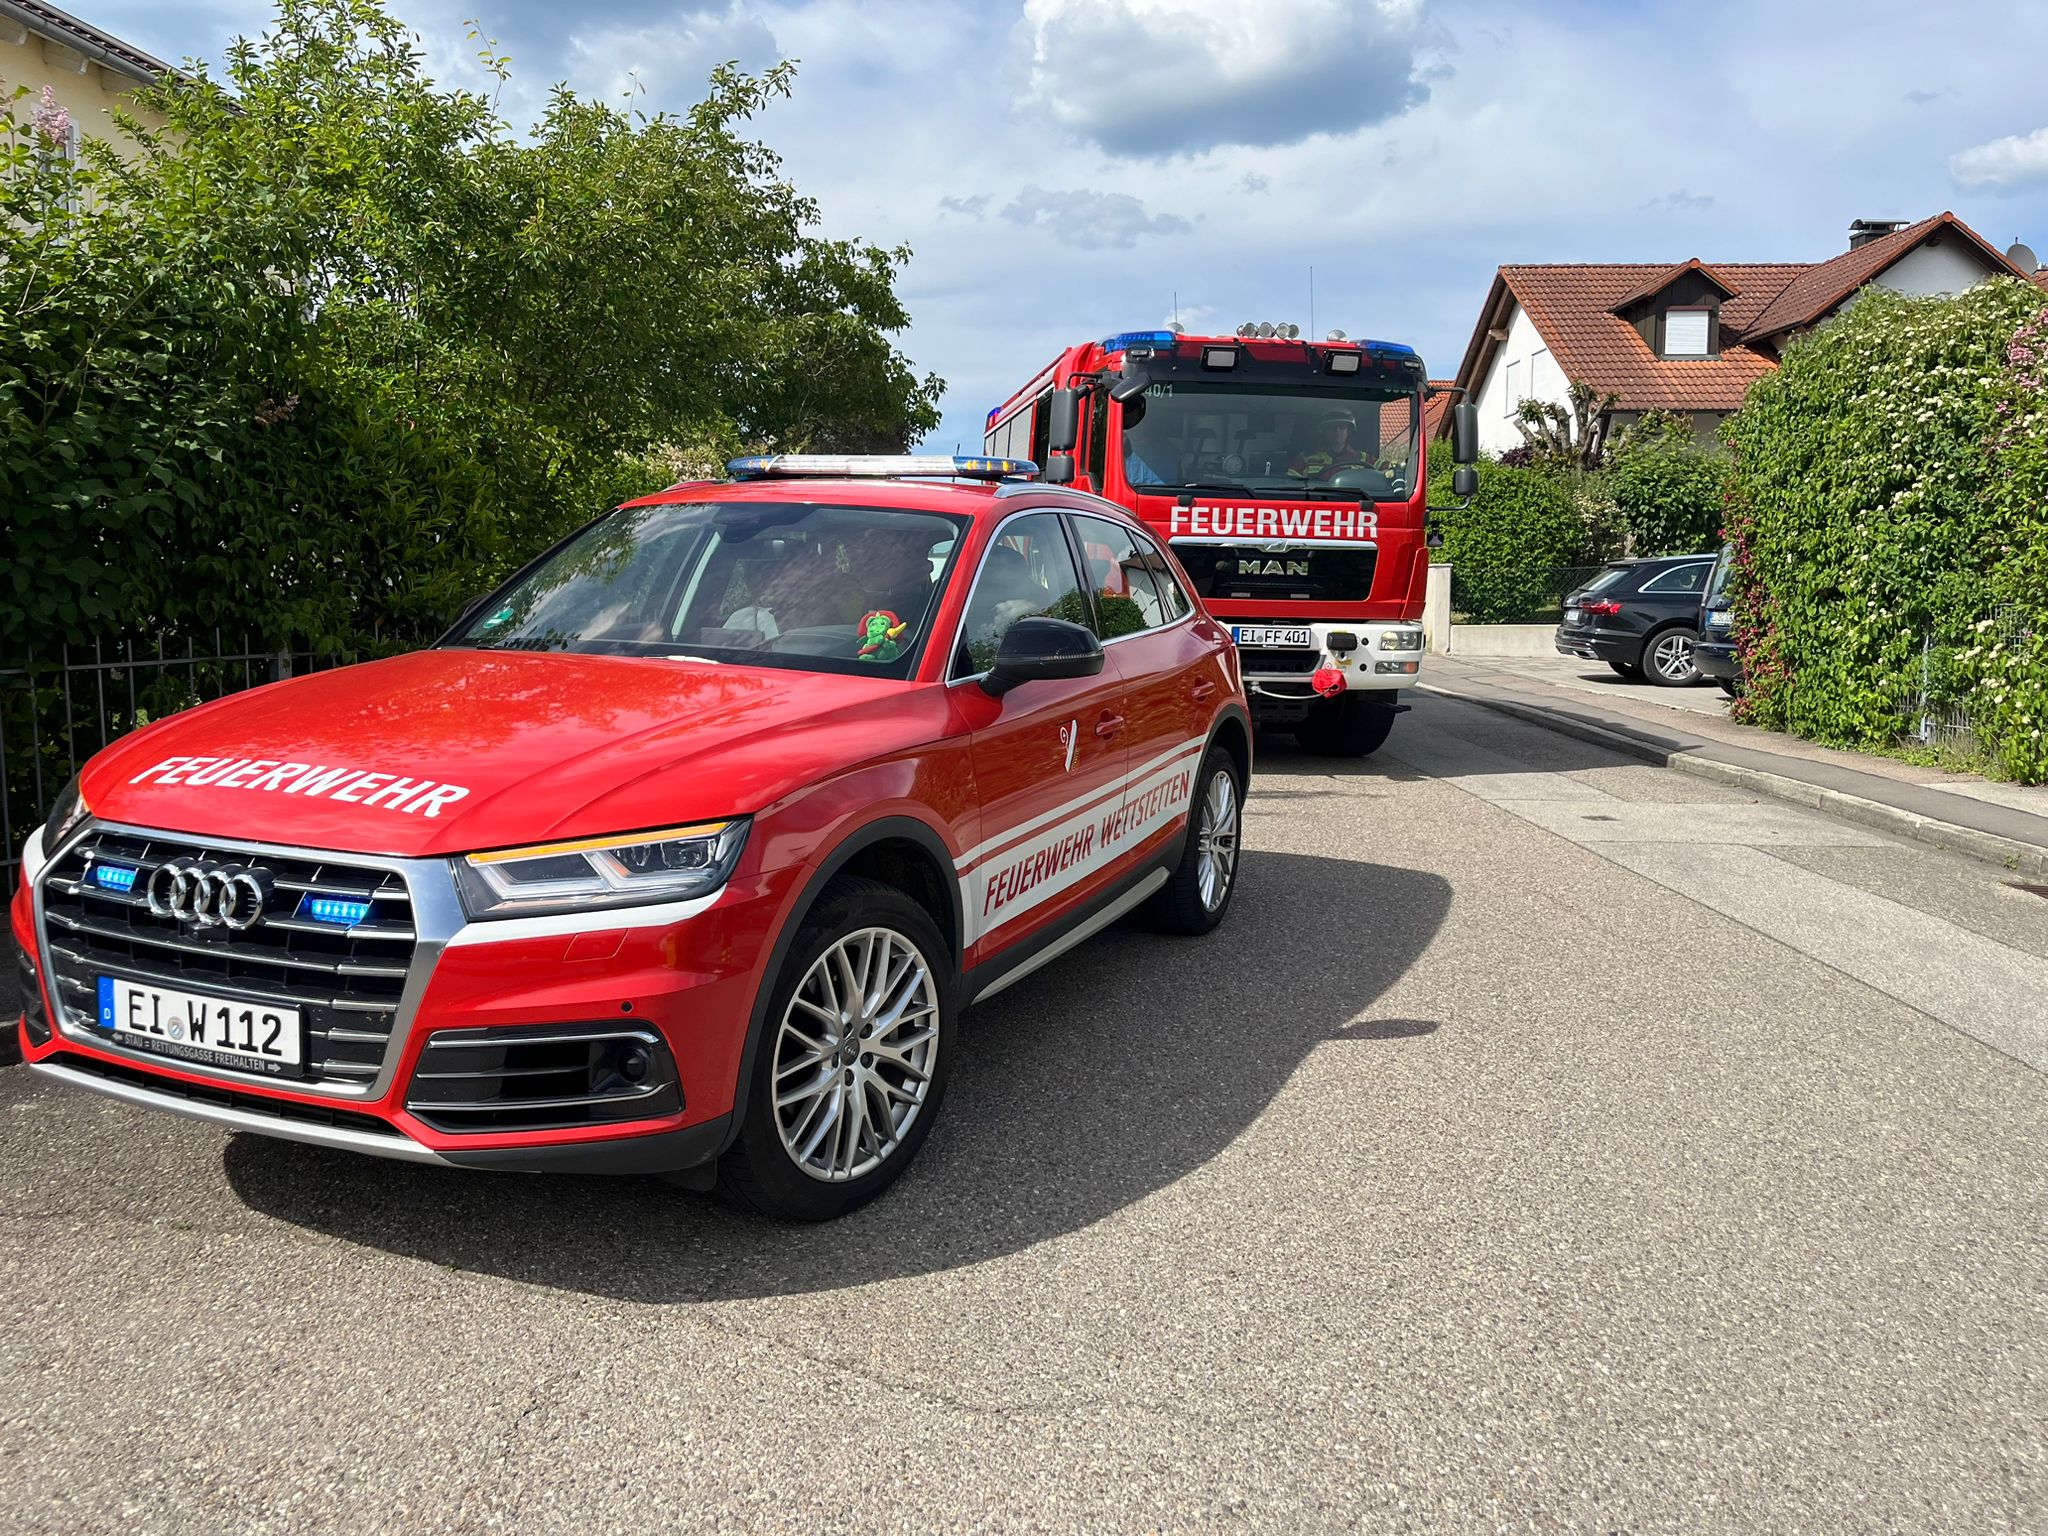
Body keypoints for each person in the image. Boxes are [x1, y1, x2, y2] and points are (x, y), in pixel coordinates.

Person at [1287, 409, 1368, 480]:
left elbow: (1380, 474)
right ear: (1324, 431)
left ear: (1349, 431)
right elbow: (1290, 481)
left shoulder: (1363, 458)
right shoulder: (1306, 457)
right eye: (1332, 427)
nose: (1337, 431)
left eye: (1342, 427)